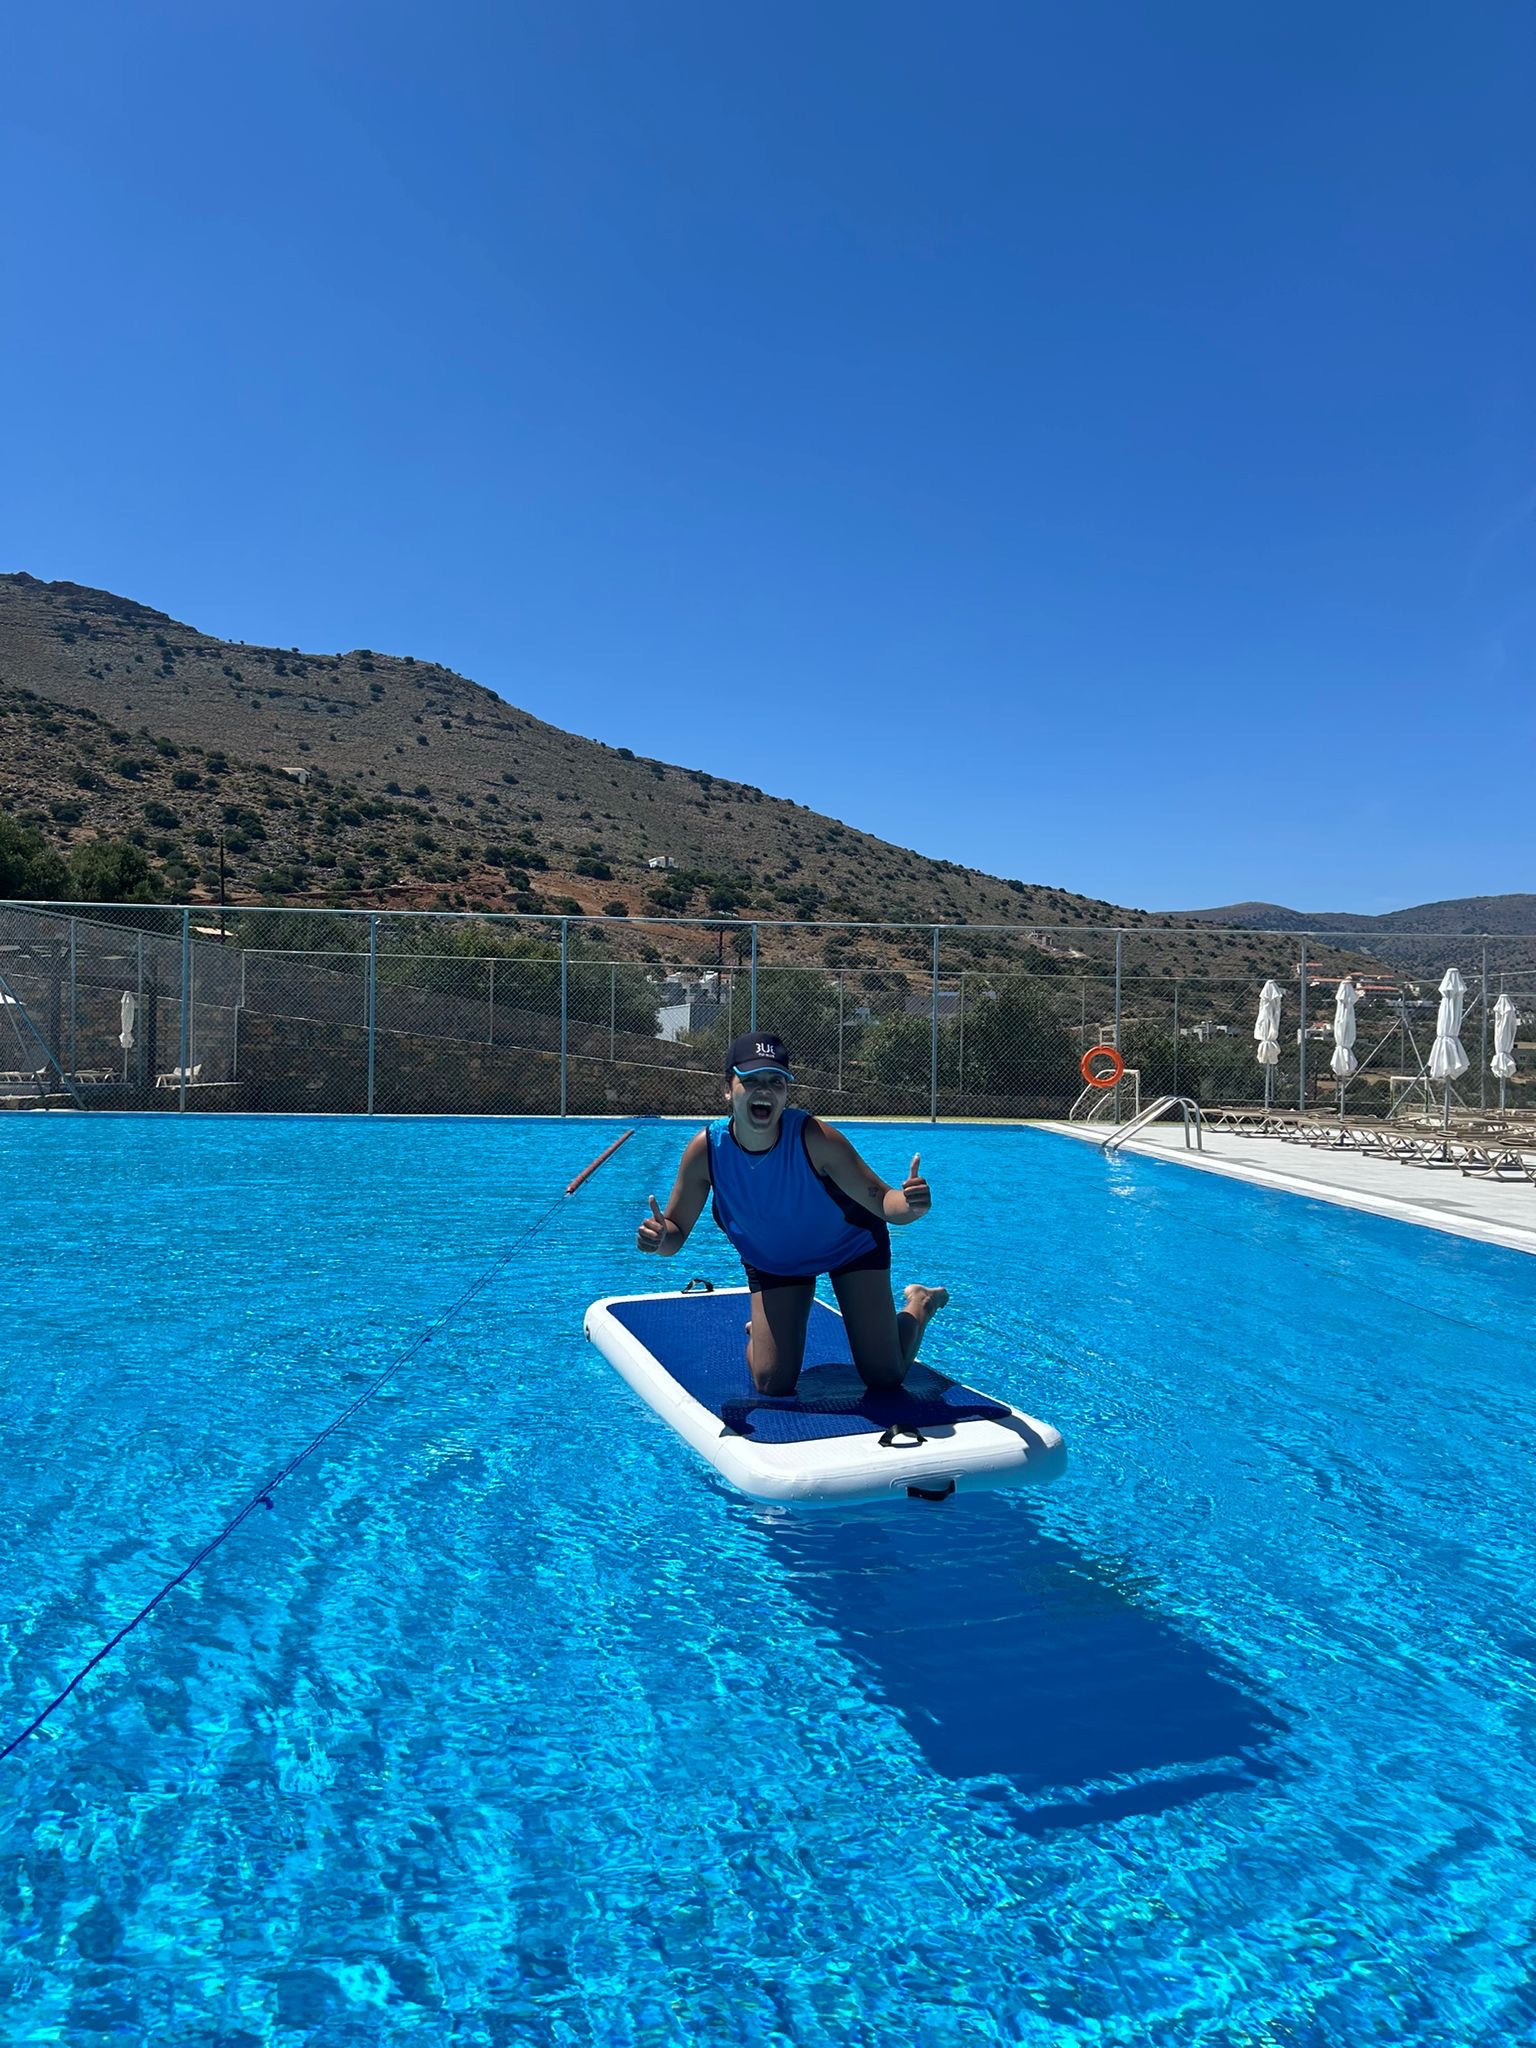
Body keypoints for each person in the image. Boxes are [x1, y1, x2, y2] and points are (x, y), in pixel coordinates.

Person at [635, 1030, 948, 1396]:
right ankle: (766, 1330)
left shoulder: (815, 1138)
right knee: (771, 1383)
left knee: (885, 1376)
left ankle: (921, 1302)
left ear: (785, 1092)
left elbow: (883, 1202)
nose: (763, 1090)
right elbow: (675, 1232)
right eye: (750, 1081)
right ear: (727, 1089)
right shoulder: (706, 1151)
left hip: (851, 1248)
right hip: (775, 1262)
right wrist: (658, 1239)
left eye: (775, 1081)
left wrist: (910, 1205)